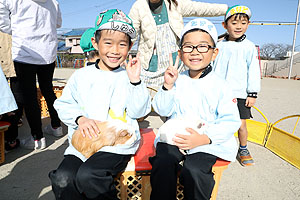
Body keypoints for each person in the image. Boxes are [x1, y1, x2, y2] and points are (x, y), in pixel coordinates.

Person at [49, 9, 151, 200]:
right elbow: (63, 104)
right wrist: (79, 119)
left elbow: (140, 111)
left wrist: (135, 81)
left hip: (116, 146)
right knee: (63, 178)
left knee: (89, 175)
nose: (115, 50)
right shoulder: (81, 76)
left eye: (122, 44)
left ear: (129, 47)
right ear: (96, 43)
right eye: (108, 43)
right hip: (84, 143)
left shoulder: (129, 76)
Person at [150, 18, 241, 200]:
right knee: (163, 162)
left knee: (195, 170)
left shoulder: (221, 86)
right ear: (181, 53)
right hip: (176, 137)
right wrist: (167, 86)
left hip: (207, 141)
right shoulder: (177, 80)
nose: (194, 52)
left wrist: (204, 138)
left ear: (214, 53)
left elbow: (230, 121)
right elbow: (162, 109)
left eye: (202, 46)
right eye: (188, 47)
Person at [0, 0, 63, 150]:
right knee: (47, 89)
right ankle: (57, 126)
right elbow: (58, 23)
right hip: (48, 51)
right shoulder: (53, 1)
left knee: (29, 96)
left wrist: (20, 30)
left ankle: (37, 138)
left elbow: (2, 23)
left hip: (25, 51)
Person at [129, 0, 228, 89]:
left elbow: (200, 8)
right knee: (151, 102)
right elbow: (131, 32)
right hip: (150, 66)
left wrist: (226, 9)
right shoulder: (139, 6)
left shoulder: (175, 3)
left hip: (176, 64)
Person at [213, 5, 261, 166]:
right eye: (234, 23)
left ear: (248, 24)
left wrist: (252, 93)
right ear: (225, 25)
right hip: (219, 92)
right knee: (217, 120)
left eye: (243, 22)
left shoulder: (249, 47)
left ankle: (243, 148)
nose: (239, 26)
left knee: (241, 124)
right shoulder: (218, 45)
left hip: (240, 93)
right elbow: (212, 67)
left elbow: (253, 71)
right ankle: (215, 145)